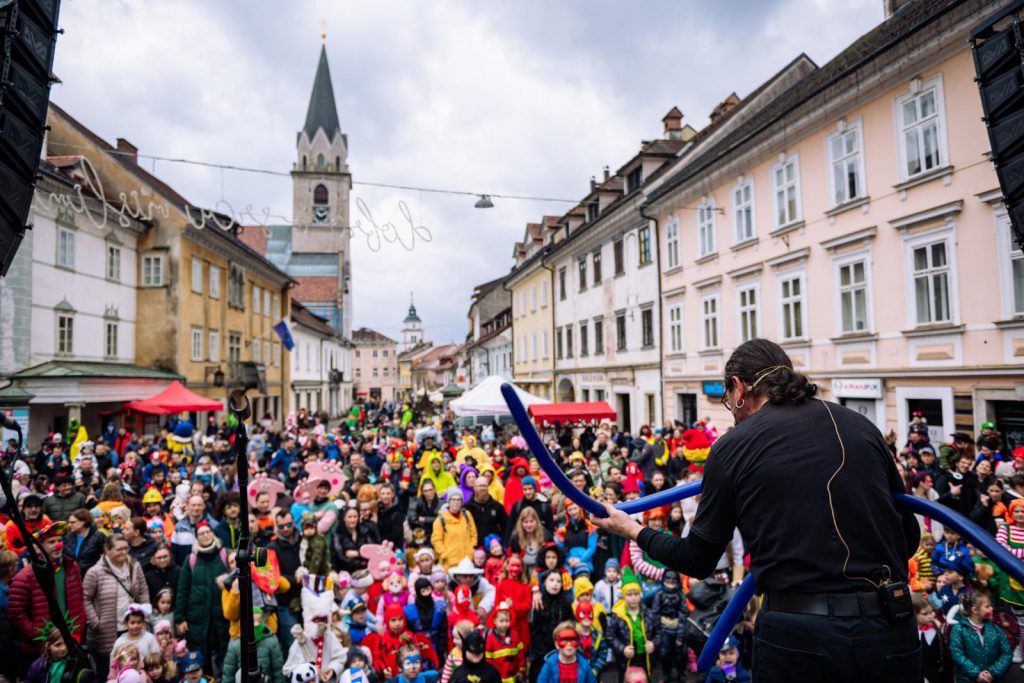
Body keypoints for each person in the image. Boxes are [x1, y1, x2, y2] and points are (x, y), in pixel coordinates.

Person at [590, 339, 920, 682]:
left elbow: (697, 558)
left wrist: (632, 530)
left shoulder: (733, 446)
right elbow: (908, 537)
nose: (730, 409)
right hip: (889, 629)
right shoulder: (862, 427)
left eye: (727, 400)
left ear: (738, 388)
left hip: (799, 638)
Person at [83, 533, 151, 675]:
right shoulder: (94, 572)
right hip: (108, 631)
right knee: (108, 672)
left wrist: (146, 614)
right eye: (119, 549)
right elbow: (85, 598)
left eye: (126, 548)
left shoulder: (134, 566)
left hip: (132, 627)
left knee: (134, 669)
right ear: (107, 550)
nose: (124, 552)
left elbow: (143, 592)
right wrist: (96, 622)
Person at [949, 592, 1012, 683]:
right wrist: (976, 673)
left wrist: (992, 672)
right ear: (975, 610)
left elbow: (1007, 653)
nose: (991, 608)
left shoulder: (995, 628)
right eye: (987, 606)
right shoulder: (959, 629)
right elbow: (957, 654)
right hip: (967, 680)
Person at [431, 487, 478, 571]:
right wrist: (445, 554)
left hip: (467, 561)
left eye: (458, 500)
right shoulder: (440, 520)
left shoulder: (467, 515)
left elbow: (473, 534)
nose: (456, 502)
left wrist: (471, 548)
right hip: (450, 563)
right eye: (453, 499)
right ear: (448, 502)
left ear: (462, 502)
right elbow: (436, 540)